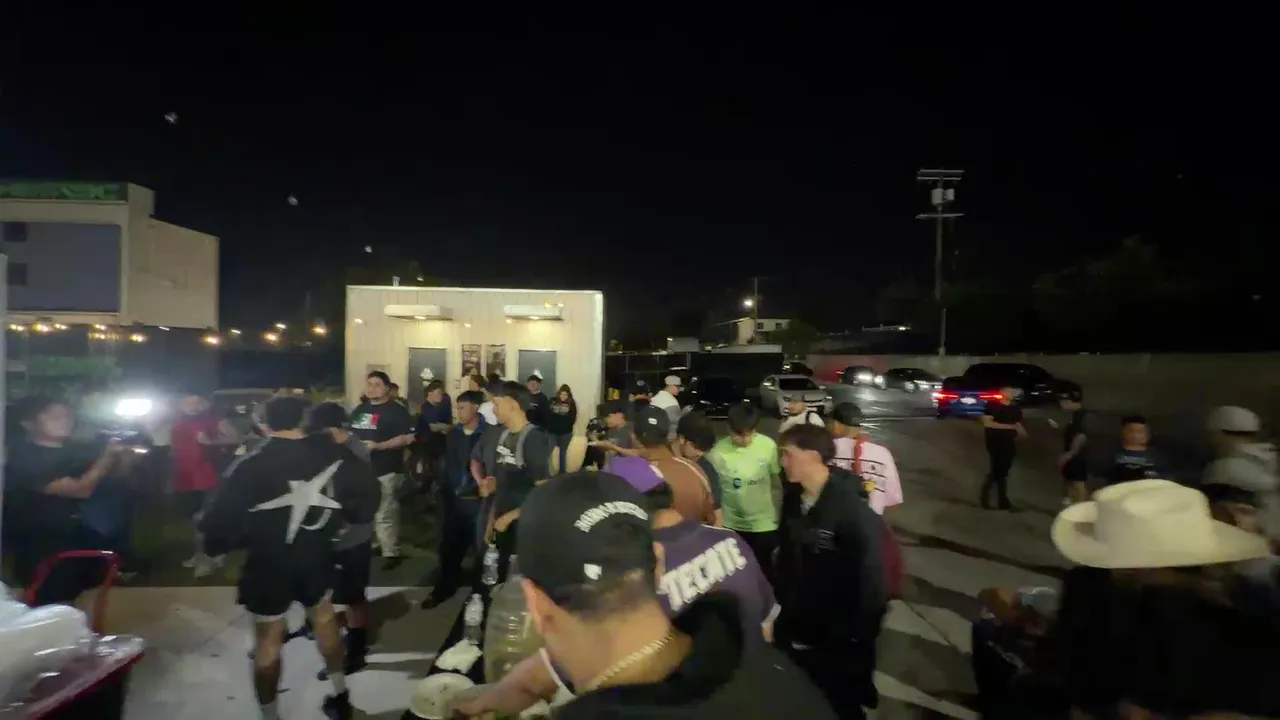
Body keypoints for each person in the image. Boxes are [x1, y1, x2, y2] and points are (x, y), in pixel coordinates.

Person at [447, 461, 782, 719]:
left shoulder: (606, 693)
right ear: (657, 561)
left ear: (535, 605)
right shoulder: (727, 569)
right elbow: (766, 629)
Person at [200, 395, 381, 720]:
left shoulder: (251, 464)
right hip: (317, 555)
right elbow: (368, 493)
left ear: (265, 424)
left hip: (268, 562)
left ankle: (271, 715)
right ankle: (340, 694)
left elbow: (217, 523)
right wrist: (349, 518)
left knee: (268, 639)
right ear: (303, 420)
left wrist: (226, 543)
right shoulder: (332, 453)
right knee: (324, 617)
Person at [775, 423, 889, 719]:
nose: (782, 462)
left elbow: (872, 584)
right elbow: (787, 556)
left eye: (787, 454)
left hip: (837, 638)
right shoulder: (792, 498)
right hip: (797, 626)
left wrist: (858, 640)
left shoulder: (852, 511)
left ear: (813, 455)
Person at [4, 397, 133, 606]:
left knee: (85, 601)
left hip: (81, 540)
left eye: (67, 416)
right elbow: (81, 490)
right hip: (43, 545)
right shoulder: (24, 458)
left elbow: (108, 479)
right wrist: (107, 457)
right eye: (55, 416)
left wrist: (124, 457)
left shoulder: (76, 452)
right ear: (28, 423)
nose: (65, 420)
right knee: (49, 604)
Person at [307, 403, 378, 678]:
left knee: (353, 596)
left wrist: (347, 520)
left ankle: (356, 648)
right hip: (326, 536)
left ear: (332, 428)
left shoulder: (355, 451)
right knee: (327, 593)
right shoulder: (324, 449)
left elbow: (364, 495)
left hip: (353, 535)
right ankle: (334, 633)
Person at [421, 390, 489, 609]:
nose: (458, 412)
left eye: (462, 408)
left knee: (481, 550)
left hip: (477, 499)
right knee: (449, 546)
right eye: (456, 408)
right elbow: (449, 463)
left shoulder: (489, 434)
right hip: (452, 498)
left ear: (475, 408)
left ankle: (480, 594)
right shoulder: (454, 434)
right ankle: (445, 586)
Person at [486, 380, 553, 580]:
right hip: (502, 524)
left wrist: (510, 517)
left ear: (513, 404)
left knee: (518, 584)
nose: (493, 409)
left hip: (524, 528)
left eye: (496, 404)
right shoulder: (504, 436)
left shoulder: (534, 438)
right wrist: (491, 520)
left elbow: (544, 492)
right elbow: (501, 485)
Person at [709, 402, 782, 585]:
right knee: (737, 578)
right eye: (739, 435)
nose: (745, 439)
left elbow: (776, 483)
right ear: (729, 428)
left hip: (764, 525)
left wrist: (778, 514)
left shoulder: (768, 446)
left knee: (765, 575)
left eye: (750, 433)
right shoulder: (717, 453)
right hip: (731, 526)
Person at [349, 371, 415, 570]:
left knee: (385, 512)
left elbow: (408, 438)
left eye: (377, 384)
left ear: (387, 388)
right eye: (369, 384)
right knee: (368, 510)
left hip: (386, 468)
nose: (372, 388)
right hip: (362, 469)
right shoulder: (360, 409)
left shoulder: (397, 410)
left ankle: (391, 552)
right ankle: (377, 543)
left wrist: (379, 446)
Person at [619, 405, 718, 526]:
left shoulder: (623, 473)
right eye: (695, 447)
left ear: (633, 436)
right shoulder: (696, 470)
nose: (699, 454)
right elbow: (712, 519)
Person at [171, 394, 228, 579]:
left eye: (196, 402)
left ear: (204, 404)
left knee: (203, 519)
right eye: (188, 402)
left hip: (207, 476)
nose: (192, 406)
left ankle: (207, 559)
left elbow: (236, 438)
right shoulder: (178, 423)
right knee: (194, 519)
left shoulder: (215, 420)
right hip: (186, 477)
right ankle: (204, 554)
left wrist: (212, 443)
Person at [829, 402, 903, 515]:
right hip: (870, 522)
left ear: (836, 425)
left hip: (832, 520)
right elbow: (892, 497)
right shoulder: (882, 453)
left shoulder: (825, 449)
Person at [979, 386, 1026, 510]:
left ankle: (998, 501)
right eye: (1009, 391)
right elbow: (987, 423)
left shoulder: (1015, 408)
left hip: (1009, 442)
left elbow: (1017, 424)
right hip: (995, 442)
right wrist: (1011, 427)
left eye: (1013, 391)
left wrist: (1022, 434)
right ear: (1002, 392)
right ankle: (994, 500)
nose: (1012, 393)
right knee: (998, 471)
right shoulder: (992, 406)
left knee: (1002, 472)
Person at [674, 411, 724, 520]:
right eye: (696, 447)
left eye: (704, 449)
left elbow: (717, 511)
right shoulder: (660, 461)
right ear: (682, 439)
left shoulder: (706, 469)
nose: (700, 453)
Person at [413, 379, 453, 495]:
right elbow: (433, 427)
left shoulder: (441, 408)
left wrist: (444, 427)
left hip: (439, 446)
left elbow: (447, 426)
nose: (441, 396)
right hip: (427, 446)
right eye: (439, 393)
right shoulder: (427, 408)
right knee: (428, 473)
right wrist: (445, 427)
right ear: (430, 393)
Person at [1107, 415, 1167, 485]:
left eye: (1140, 432)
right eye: (1131, 431)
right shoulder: (1113, 454)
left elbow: (1164, 478)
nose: (1135, 435)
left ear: (1148, 434)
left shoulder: (1157, 456)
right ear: (1123, 432)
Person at [1058, 384, 1089, 505]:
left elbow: (1081, 437)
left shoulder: (1081, 416)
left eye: (1063, 401)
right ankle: (1071, 506)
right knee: (1071, 481)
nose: (1061, 405)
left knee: (1078, 483)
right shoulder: (1076, 415)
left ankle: (1082, 509)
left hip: (1078, 456)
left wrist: (1069, 454)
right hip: (1074, 456)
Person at [547, 384, 578, 475]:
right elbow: (548, 414)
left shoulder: (571, 404)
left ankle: (562, 472)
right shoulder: (552, 401)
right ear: (559, 394)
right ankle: (546, 471)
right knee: (548, 451)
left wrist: (567, 427)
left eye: (565, 395)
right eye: (562, 394)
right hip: (552, 431)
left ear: (568, 395)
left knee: (562, 452)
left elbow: (573, 418)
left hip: (565, 433)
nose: (563, 396)